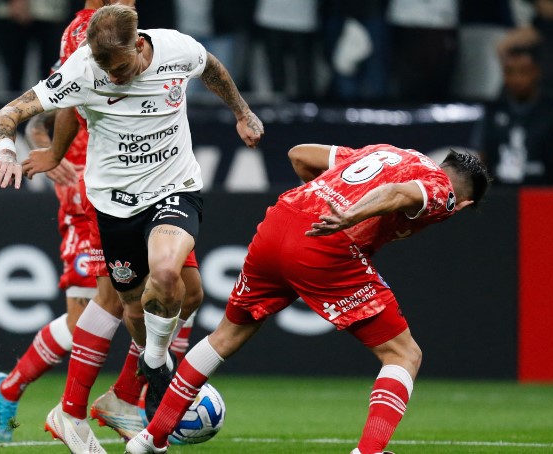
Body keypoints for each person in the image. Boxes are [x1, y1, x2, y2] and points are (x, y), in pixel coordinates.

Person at [0, 4, 263, 451]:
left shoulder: (174, 47)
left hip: (174, 188)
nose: (114, 77)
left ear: (140, 44)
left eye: (120, 68)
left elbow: (211, 67)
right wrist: (7, 150)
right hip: (113, 203)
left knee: (171, 277)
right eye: (106, 70)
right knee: (140, 303)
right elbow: (16, 112)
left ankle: (139, 379)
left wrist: (242, 112)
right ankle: (110, 397)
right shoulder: (84, 62)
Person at [124, 144, 491, 454]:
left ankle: (149, 439)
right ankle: (370, 451)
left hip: (278, 224)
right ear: (464, 204)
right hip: (326, 244)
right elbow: (399, 195)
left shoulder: (386, 152)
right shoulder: (443, 192)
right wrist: (349, 215)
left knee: (224, 337)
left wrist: (324, 200)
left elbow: (299, 156)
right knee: (403, 354)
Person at [472, 45, 553, 187]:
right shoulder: (492, 111)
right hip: (500, 195)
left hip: (543, 193)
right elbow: (481, 156)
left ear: (536, 72)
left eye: (523, 72)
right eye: (510, 72)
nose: (517, 80)